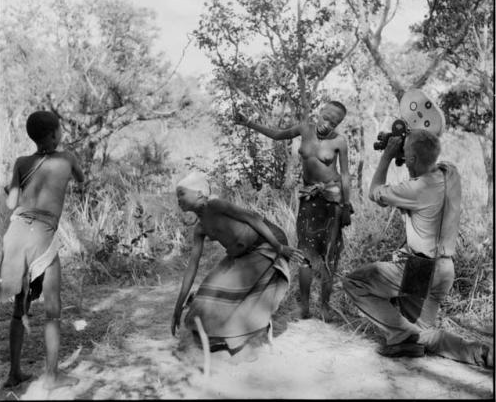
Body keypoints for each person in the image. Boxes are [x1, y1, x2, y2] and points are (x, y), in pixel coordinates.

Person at [342, 129, 493, 368]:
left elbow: (374, 191)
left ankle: (401, 336)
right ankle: (482, 354)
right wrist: (410, 150)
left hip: (420, 269)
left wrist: (388, 155)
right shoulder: (449, 172)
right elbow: (427, 153)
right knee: (425, 334)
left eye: (407, 157)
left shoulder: (416, 189)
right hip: (445, 270)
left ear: (411, 159)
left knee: (354, 282)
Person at [234, 101, 353, 320]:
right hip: (309, 199)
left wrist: (346, 205)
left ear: (339, 124)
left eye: (334, 122)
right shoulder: (304, 129)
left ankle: (325, 307)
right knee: (304, 254)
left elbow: (345, 174)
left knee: (329, 255)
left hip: (332, 201)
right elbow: (278, 135)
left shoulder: (340, 141)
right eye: (326, 117)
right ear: (320, 113)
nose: (327, 124)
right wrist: (249, 123)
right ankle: (305, 307)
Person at [171, 171, 305, 355]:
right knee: (207, 292)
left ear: (200, 193)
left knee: (232, 286)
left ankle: (244, 336)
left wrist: (279, 247)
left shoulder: (215, 205)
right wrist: (178, 307)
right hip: (242, 254)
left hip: (268, 242)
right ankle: (216, 339)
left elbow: (253, 219)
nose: (178, 199)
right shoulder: (200, 228)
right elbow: (192, 267)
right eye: (177, 196)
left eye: (182, 193)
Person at [0, 110, 85, 389]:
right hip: (42, 235)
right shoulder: (68, 158)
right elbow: (81, 179)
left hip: (16, 235)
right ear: (54, 134)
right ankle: (51, 376)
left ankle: (13, 373)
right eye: (59, 129)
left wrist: (15, 187)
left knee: (19, 309)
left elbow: (11, 204)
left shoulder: (22, 162)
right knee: (52, 310)